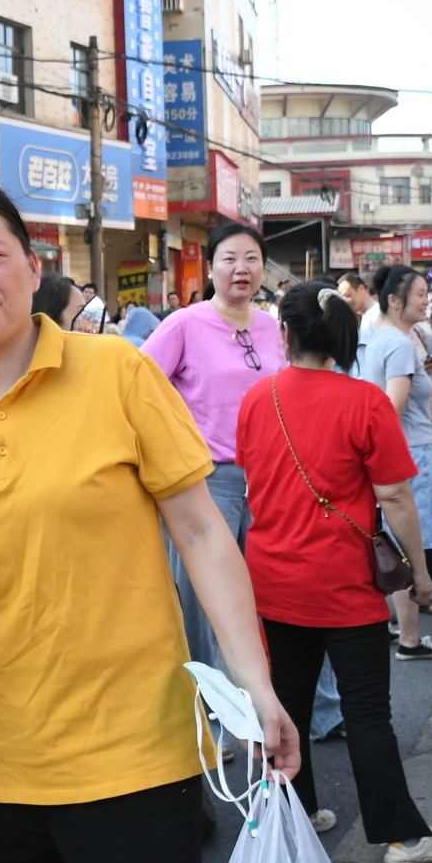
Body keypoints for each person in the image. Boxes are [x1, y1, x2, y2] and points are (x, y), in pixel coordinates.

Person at [0, 179, 300, 863]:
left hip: (138, 763)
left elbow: (201, 532)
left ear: (31, 266)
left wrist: (255, 686)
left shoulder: (117, 371)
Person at [236, 282, 432, 863]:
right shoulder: (365, 401)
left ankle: (295, 816)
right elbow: (395, 496)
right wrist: (418, 571)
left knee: (286, 704)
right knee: (367, 711)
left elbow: (251, 479)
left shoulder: (258, 398)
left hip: (272, 578)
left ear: (286, 333)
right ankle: (404, 839)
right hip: (344, 581)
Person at [142, 220, 286, 672]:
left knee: (269, 589)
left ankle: (268, 696)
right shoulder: (185, 323)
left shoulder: (272, 327)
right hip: (207, 478)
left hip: (268, 477)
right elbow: (139, 385)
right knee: (201, 595)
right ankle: (198, 698)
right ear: (209, 268)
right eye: (229, 259)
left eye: (252, 259)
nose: (241, 268)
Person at [356, 267, 432, 653]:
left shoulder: (379, 337)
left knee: (395, 543)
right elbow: (391, 409)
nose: (426, 300)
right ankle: (410, 639)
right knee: (408, 546)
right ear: (394, 301)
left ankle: (403, 633)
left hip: (403, 451)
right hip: (411, 452)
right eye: (420, 293)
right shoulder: (398, 343)